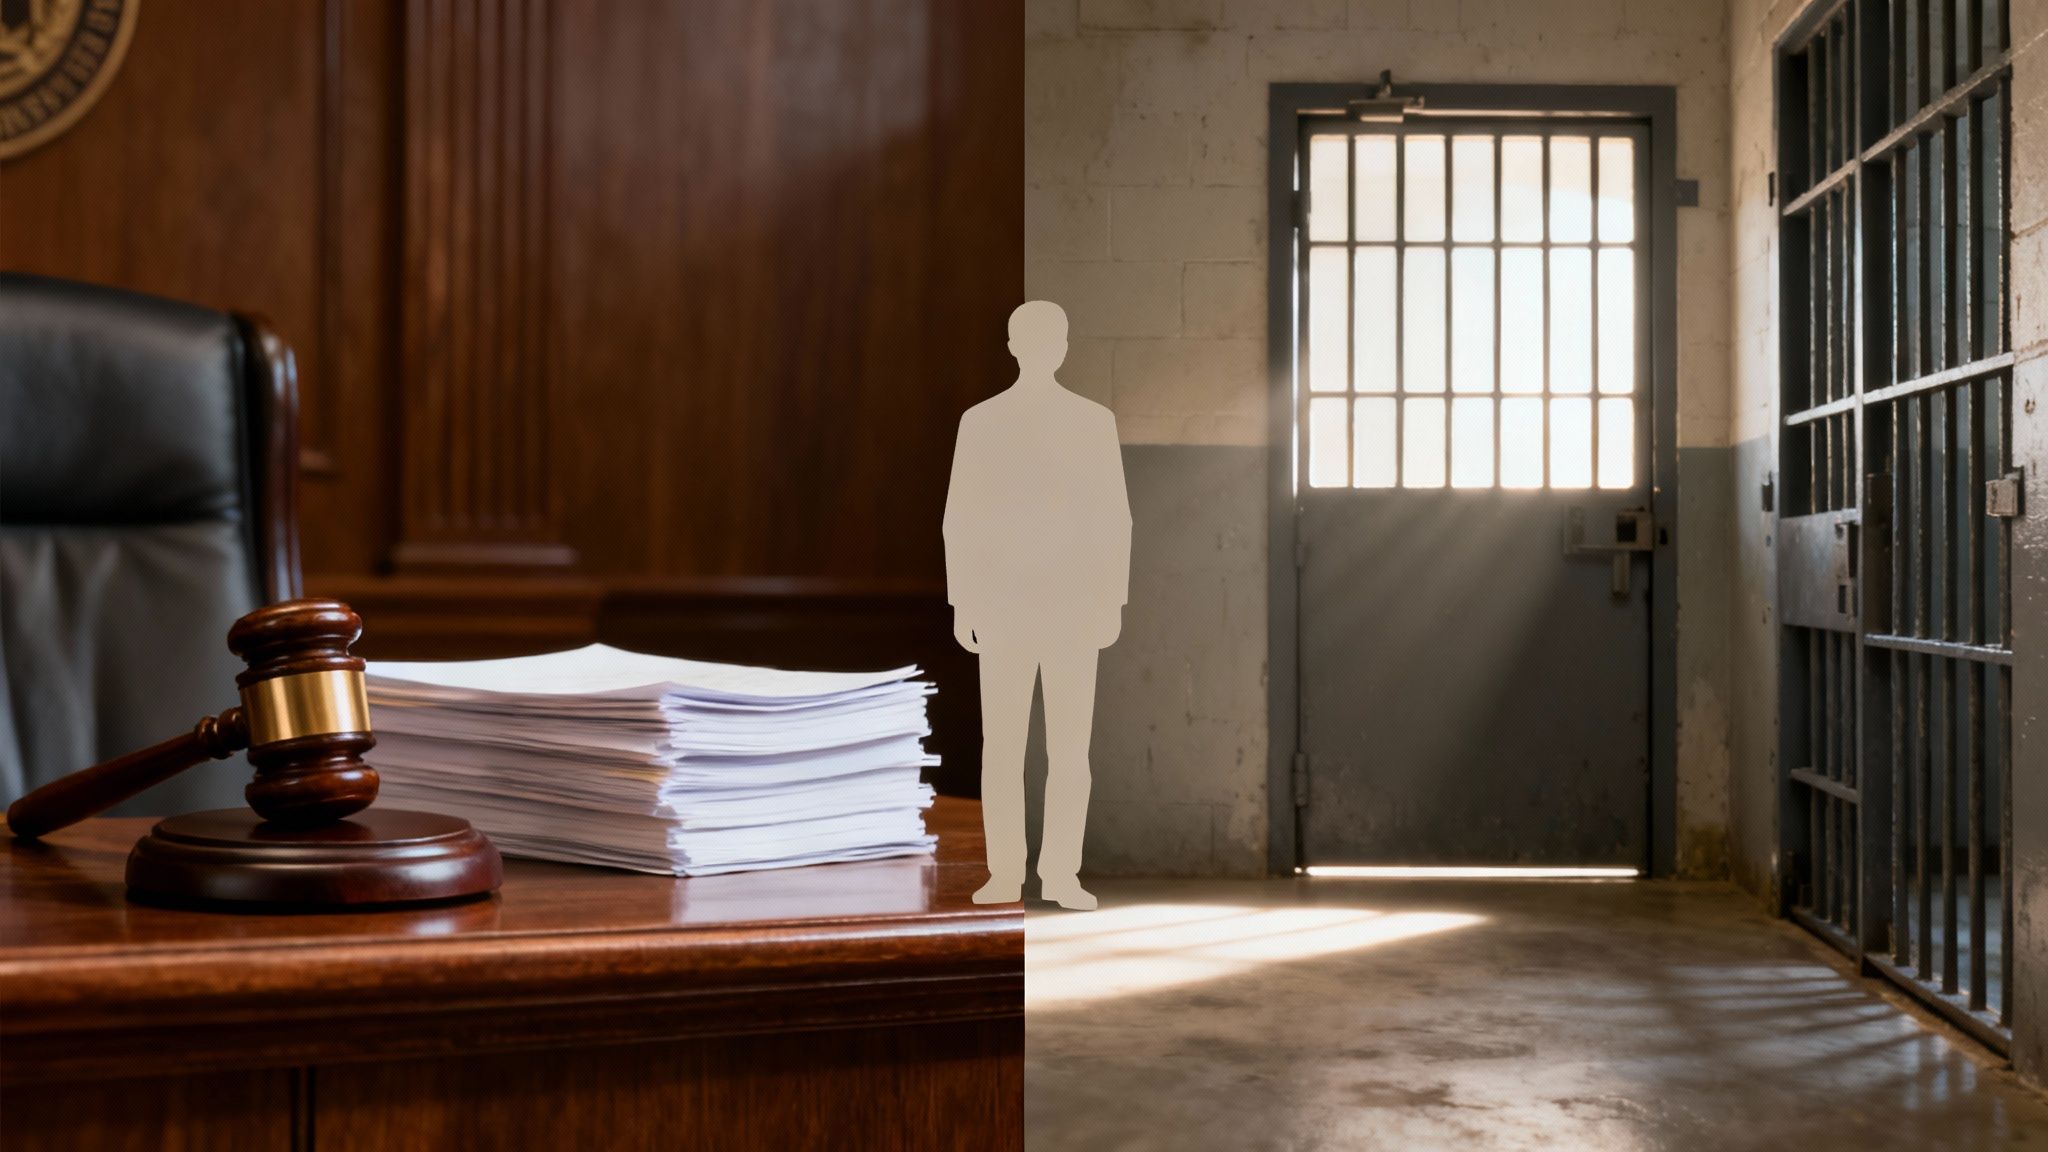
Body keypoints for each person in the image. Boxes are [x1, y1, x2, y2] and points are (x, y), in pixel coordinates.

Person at [942, 300, 1130, 910]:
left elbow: (1112, 519)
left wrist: (964, 599)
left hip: (1027, 606)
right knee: (1054, 749)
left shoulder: (991, 421)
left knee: (1019, 749)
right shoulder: (1078, 420)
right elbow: (962, 517)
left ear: (1012, 345)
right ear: (1061, 346)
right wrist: (963, 599)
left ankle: (1030, 875)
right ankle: (1042, 876)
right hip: (1038, 606)